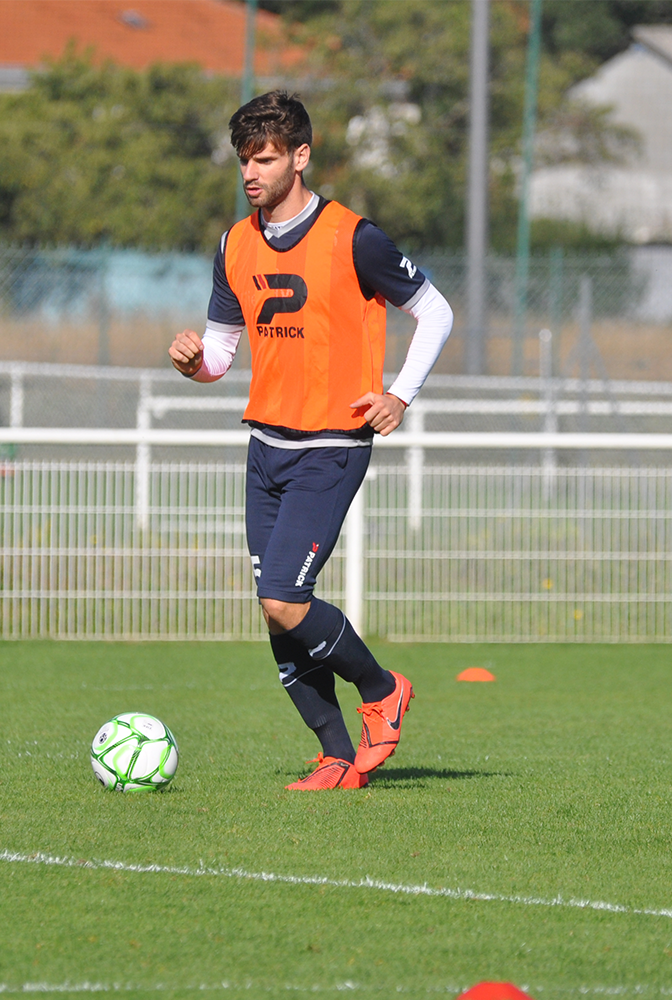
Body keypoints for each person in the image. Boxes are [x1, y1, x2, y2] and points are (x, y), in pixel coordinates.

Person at [169, 92, 453, 790]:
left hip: (331, 443)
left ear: (300, 155)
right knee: (275, 608)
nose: (251, 172)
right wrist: (192, 363)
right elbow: (219, 356)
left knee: (285, 599)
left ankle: (383, 690)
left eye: (263, 157)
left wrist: (400, 395)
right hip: (265, 444)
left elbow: (436, 310)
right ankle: (336, 756)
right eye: (244, 159)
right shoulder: (235, 244)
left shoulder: (354, 237)